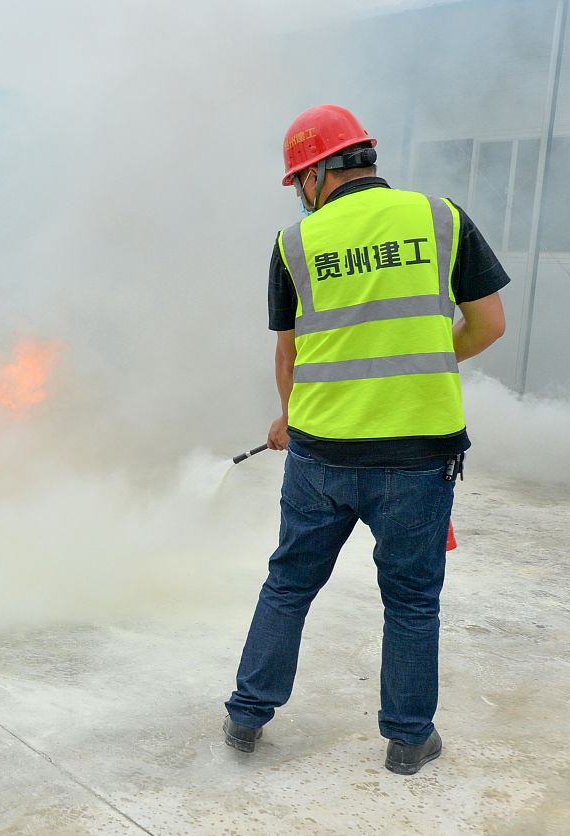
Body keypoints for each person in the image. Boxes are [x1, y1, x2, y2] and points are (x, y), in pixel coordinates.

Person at [223, 105, 508, 774]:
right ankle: (409, 740)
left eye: (299, 181)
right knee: (411, 601)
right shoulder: (442, 218)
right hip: (416, 460)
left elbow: (289, 356)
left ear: (320, 173)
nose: (300, 193)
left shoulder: (296, 242)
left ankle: (246, 717)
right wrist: (421, 363)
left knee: (288, 583)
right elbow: (489, 323)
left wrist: (288, 416)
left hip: (319, 455)